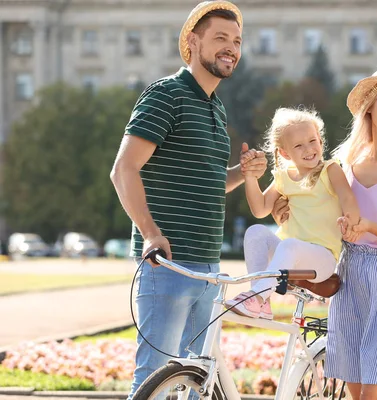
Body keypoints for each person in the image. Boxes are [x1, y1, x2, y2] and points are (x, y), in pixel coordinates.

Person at [109, 1, 267, 398]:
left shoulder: (215, 107)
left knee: (196, 384)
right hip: (169, 265)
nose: (231, 48)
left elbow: (213, 182)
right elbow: (123, 169)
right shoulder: (168, 95)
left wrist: (244, 173)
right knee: (153, 379)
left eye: (236, 41)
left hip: (208, 270)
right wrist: (149, 233)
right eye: (220, 38)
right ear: (193, 42)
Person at [273, 64, 377, 400]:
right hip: (351, 279)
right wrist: (283, 210)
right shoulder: (346, 160)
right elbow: (315, 209)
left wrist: (371, 227)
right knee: (355, 395)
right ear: (371, 106)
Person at [225, 107, 360, 319]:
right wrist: (250, 177)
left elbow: (348, 197)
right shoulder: (283, 177)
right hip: (290, 253)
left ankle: (257, 296)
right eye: (299, 145)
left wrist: (350, 221)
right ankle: (262, 302)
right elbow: (260, 209)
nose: (309, 149)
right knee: (255, 232)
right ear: (285, 153)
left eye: (312, 141)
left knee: (290, 245)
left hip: (322, 259)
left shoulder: (330, 169)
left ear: (321, 142)